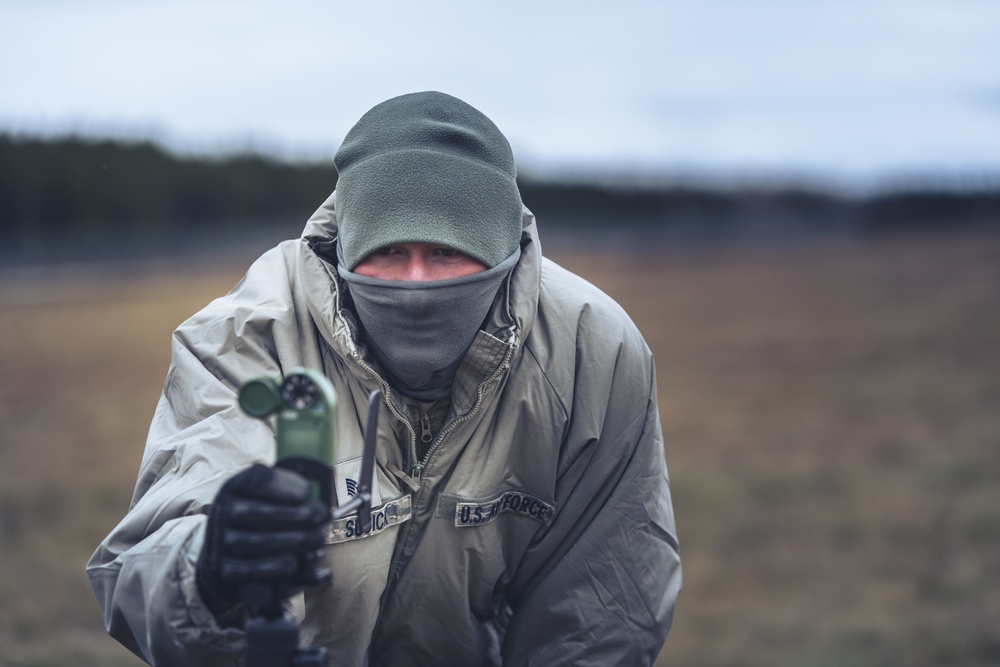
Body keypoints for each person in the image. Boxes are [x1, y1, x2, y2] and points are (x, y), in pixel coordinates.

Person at [87, 91, 681, 666]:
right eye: (389, 250)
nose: (417, 283)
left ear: (502, 249)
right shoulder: (246, 339)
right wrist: (210, 565)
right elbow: (147, 576)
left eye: (448, 252)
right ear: (346, 243)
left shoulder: (589, 352)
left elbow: (600, 614)